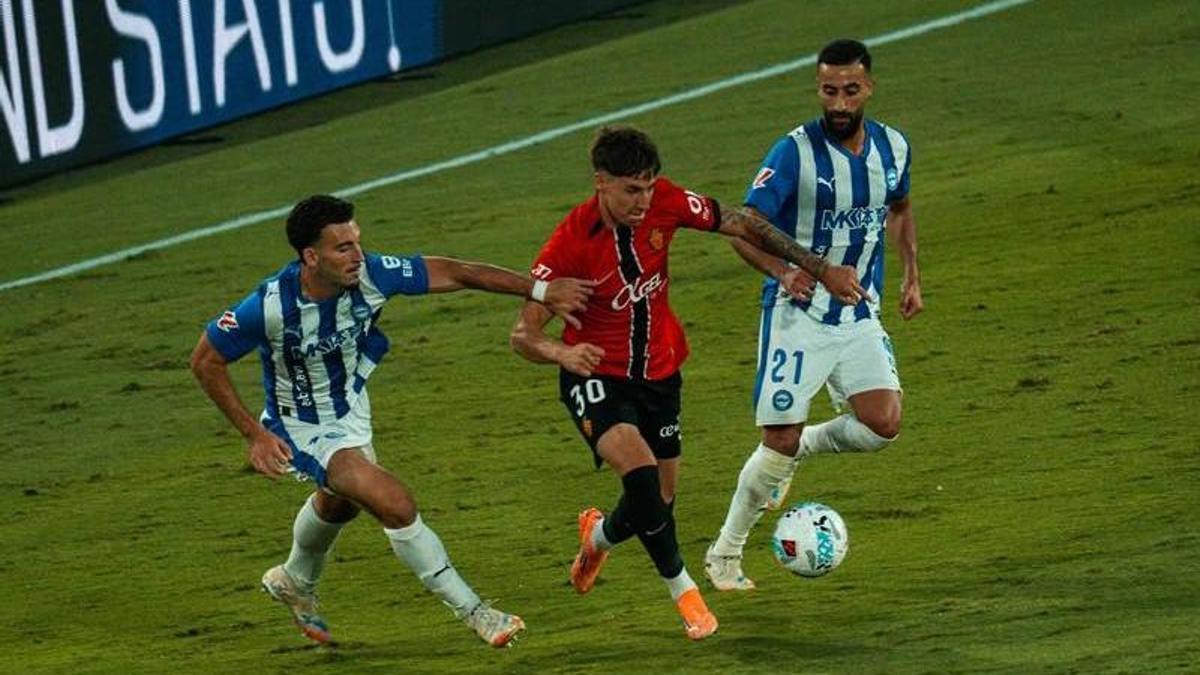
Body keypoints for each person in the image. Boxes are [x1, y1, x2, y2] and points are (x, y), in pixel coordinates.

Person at [509, 125, 865, 640]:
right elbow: (523, 336)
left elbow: (740, 222)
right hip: (596, 375)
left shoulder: (667, 203)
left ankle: (598, 539)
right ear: (601, 182)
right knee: (640, 476)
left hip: (661, 373)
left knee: (657, 501)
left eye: (649, 187)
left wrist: (813, 266)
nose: (643, 201)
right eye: (632, 190)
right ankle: (687, 596)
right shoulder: (568, 246)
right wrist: (563, 352)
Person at [189, 194, 593, 647]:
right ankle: (477, 612)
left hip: (351, 408)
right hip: (299, 425)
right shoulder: (268, 306)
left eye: (358, 242)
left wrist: (539, 291)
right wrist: (255, 434)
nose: (357, 255)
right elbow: (205, 360)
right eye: (343, 247)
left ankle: (295, 579)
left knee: (340, 503)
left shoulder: (373, 274)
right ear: (311, 257)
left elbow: (458, 272)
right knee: (394, 502)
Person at [705, 39, 923, 591]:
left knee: (884, 425)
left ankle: (803, 446)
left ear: (868, 87)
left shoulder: (894, 147)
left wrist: (911, 274)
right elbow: (741, 225)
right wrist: (783, 272)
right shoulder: (793, 153)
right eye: (829, 91)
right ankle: (725, 553)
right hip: (797, 313)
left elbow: (899, 207)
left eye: (850, 90)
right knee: (776, 438)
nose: (840, 103)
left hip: (858, 311)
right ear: (818, 89)